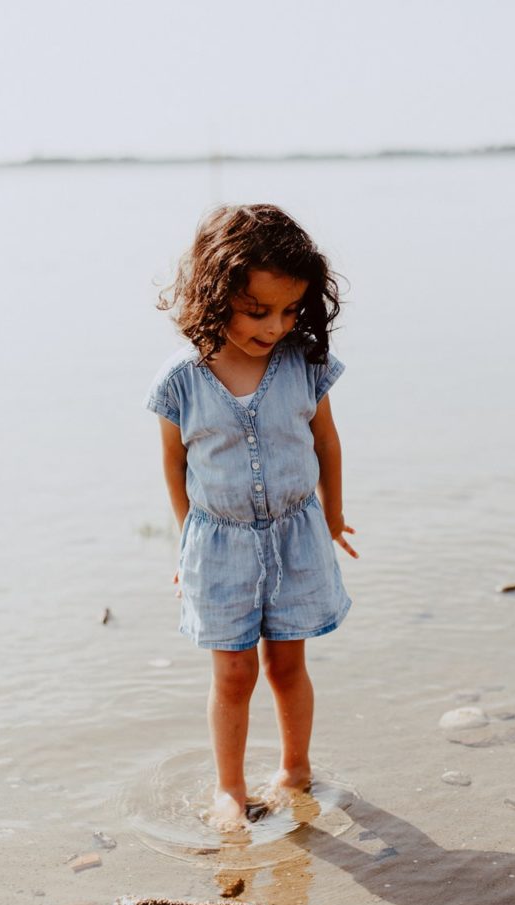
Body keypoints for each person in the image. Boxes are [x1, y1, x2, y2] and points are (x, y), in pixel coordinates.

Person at [144, 204, 358, 830]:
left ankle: (295, 767)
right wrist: (186, 545)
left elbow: (327, 443)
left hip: (295, 534)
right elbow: (174, 467)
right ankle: (230, 789)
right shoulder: (182, 379)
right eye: (258, 311)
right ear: (215, 296)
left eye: (290, 310)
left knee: (286, 663)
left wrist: (335, 516)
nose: (275, 326)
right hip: (219, 546)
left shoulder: (303, 363)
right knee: (234, 671)